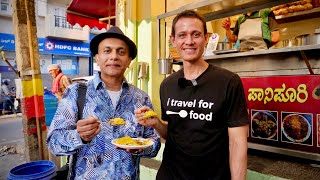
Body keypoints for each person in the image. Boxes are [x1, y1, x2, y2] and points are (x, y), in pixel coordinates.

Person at [135, 10, 249, 180]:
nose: (189, 41)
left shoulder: (228, 82)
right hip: (171, 175)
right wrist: (157, 124)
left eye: (196, 34)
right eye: (182, 35)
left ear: (206, 38)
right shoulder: (168, 84)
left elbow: (238, 142)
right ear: (173, 40)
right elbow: (171, 132)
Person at [47, 26, 161, 179]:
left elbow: (153, 144)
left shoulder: (141, 98)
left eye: (121, 52)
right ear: (97, 58)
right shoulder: (76, 93)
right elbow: (54, 143)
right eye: (107, 51)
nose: (114, 56)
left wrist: (141, 148)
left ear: (128, 61)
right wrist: (79, 136)